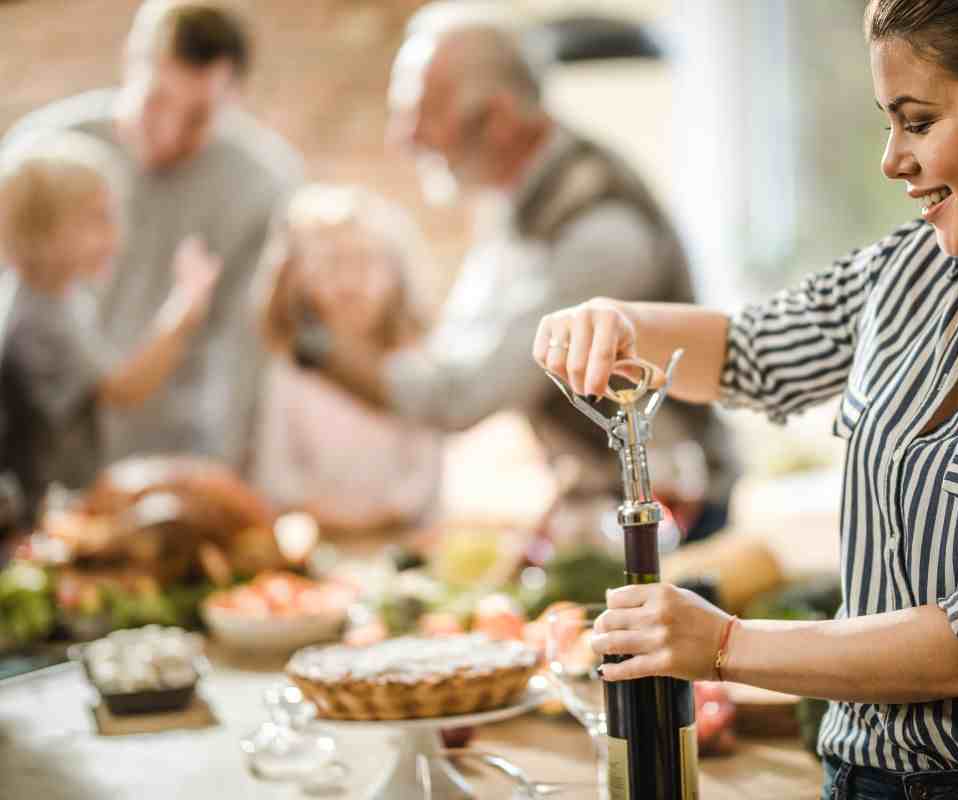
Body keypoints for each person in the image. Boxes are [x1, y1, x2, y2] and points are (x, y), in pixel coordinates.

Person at [535, 1, 958, 797]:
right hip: (862, 775)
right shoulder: (914, 272)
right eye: (888, 124)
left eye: (917, 122)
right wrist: (615, 322)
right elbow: (750, 352)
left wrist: (721, 644)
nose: (892, 160)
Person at [282, 14, 736, 540]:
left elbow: (462, 395)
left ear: (496, 119)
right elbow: (453, 350)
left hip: (675, 518)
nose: (401, 138)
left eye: (421, 114)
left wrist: (311, 344)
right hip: (604, 511)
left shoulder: (595, 229)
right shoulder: (512, 202)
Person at [3, 0, 302, 471]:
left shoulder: (263, 187)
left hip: (168, 456)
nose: (167, 135)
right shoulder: (44, 153)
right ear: (130, 61)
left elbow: (246, 351)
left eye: (198, 117)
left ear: (234, 103)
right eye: (156, 101)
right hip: (38, 447)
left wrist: (225, 467)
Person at [0, 132, 219, 523]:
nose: (115, 236)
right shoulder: (40, 318)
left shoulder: (58, 299)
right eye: (98, 220)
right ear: (43, 232)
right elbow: (126, 387)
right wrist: (184, 310)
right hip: (33, 504)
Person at [253, 184, 441, 533]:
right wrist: (329, 520)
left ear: (395, 272)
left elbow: (424, 478)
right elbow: (276, 476)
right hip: (317, 549)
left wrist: (380, 520)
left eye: (365, 261)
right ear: (299, 278)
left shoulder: (415, 367)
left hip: (406, 546)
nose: (349, 280)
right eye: (331, 264)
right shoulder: (291, 372)